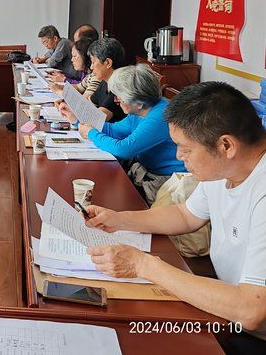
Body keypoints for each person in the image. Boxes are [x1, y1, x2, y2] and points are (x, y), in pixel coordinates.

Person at [85, 82, 266, 353]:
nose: (179, 156)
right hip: (225, 306)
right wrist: (119, 219)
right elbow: (185, 215)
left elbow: (251, 310)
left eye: (185, 149)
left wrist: (142, 265)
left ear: (226, 145)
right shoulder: (225, 169)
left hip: (251, 332)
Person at [78, 65, 185, 203]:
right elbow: (114, 130)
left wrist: (91, 133)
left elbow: (123, 149)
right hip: (146, 172)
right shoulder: (141, 109)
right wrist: (79, 121)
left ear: (139, 103)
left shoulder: (160, 116)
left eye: (119, 97)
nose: (116, 101)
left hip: (166, 182)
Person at [58, 37, 126, 123]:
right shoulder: (104, 83)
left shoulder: (119, 88)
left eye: (93, 62)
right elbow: (87, 103)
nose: (91, 67)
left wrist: (74, 118)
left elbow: (97, 119)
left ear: (108, 63)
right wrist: (67, 103)